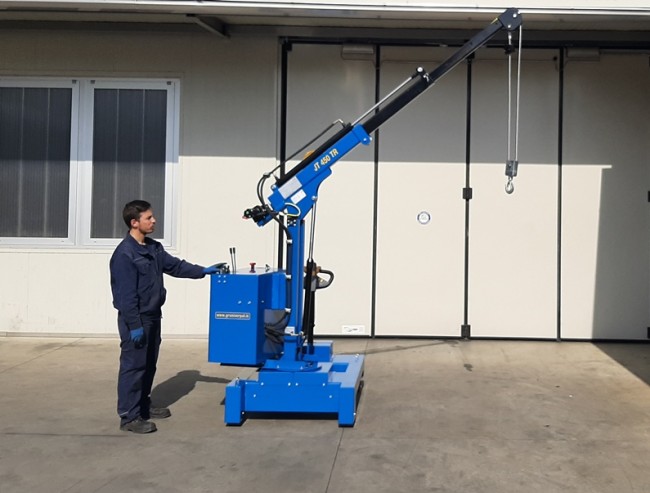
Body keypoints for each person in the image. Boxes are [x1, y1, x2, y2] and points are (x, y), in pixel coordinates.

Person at [110, 200, 220, 434]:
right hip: (137, 320)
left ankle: (143, 406)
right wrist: (134, 325)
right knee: (134, 367)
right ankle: (129, 417)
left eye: (153, 216)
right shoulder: (125, 254)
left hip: (153, 316)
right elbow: (125, 297)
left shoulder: (154, 248)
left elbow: (176, 267)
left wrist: (203, 271)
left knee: (148, 365)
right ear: (134, 222)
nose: (154, 220)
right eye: (148, 218)